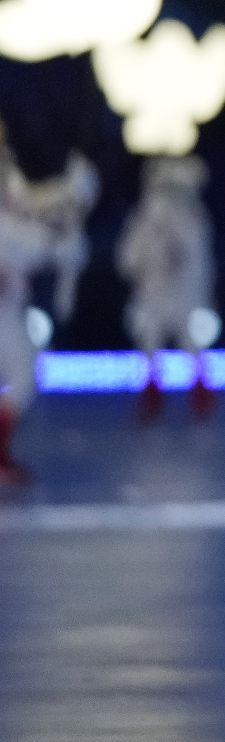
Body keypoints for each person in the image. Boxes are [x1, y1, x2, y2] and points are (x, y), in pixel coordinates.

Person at [0, 128, 98, 483]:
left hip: (7, 310)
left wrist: (70, 192)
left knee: (24, 372)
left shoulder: (9, 185)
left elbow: (29, 204)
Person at [120, 154, 216, 424]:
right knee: (149, 341)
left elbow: (201, 264)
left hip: (184, 294)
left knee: (192, 342)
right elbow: (128, 257)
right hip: (153, 293)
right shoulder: (144, 219)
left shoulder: (194, 220)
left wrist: (200, 291)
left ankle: (200, 394)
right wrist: (144, 269)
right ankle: (152, 395)